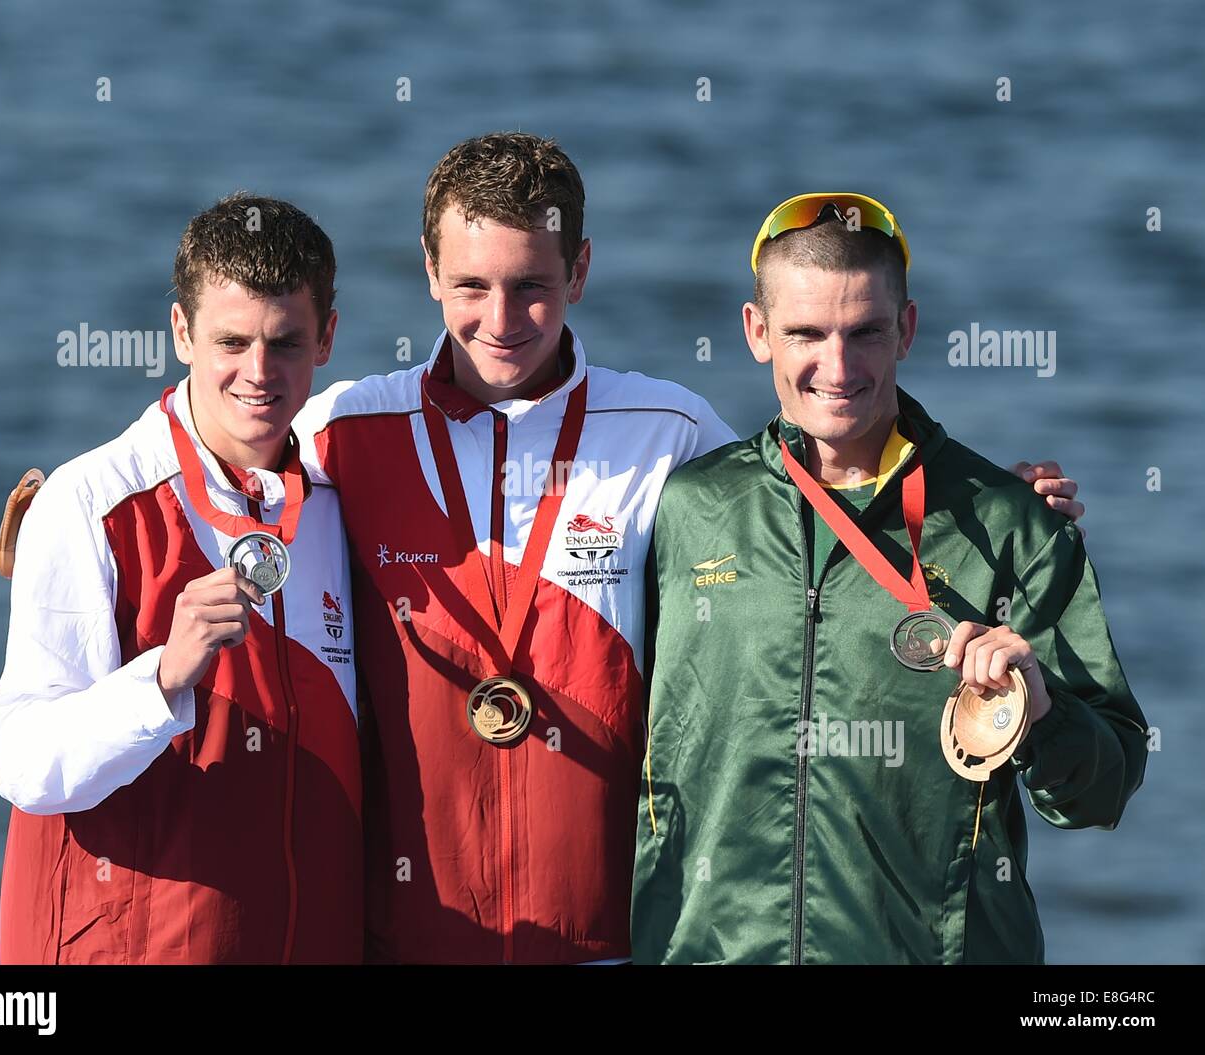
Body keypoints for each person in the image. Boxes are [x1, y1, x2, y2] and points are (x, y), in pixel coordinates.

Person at [298, 140, 1085, 963]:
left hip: (612, 941)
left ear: (581, 270)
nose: (500, 320)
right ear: (429, 269)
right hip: (406, 940)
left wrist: (998, 513)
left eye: (531, 285)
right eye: (471, 285)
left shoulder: (667, 431)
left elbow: (820, 494)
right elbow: (211, 465)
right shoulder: (340, 431)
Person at [631, 193, 1148, 964]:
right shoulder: (685, 507)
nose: (836, 368)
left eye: (864, 332)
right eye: (805, 333)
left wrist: (1040, 715)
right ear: (756, 332)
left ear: (905, 329)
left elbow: (1104, 787)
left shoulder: (1008, 526)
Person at [0, 194, 362, 963]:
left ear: (326, 337)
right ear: (182, 333)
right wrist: (160, 679)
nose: (258, 374)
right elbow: (23, 762)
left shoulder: (334, 503)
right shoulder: (89, 503)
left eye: (285, 342)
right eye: (231, 341)